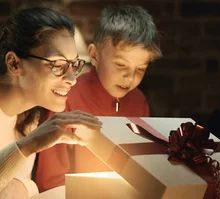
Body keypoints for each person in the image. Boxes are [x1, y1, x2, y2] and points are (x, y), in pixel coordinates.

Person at [0, 7, 102, 198]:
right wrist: (28, 145)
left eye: (74, 65)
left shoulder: (30, 116)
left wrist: (24, 187)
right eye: (57, 65)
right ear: (14, 63)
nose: (72, 78)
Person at [34, 5, 163, 192]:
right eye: (120, 65)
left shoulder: (138, 100)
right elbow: (50, 181)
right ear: (94, 55)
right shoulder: (67, 98)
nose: (130, 77)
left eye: (140, 69)